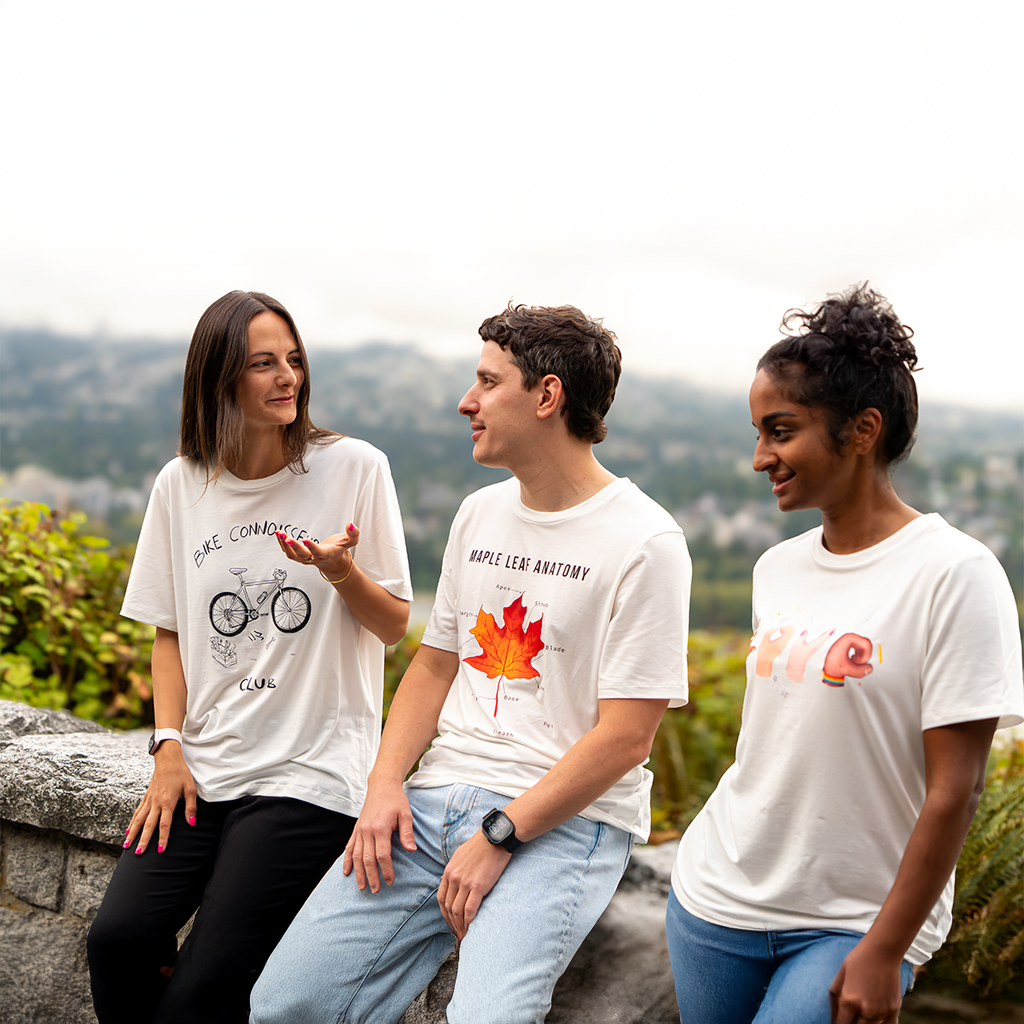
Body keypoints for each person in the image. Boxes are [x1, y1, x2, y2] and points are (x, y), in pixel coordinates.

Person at [249, 303, 692, 1024]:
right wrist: (385, 784)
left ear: (547, 397)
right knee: (284, 1004)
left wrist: (501, 834)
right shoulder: (478, 514)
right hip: (429, 804)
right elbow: (433, 666)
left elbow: (626, 738)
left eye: (488, 382)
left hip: (559, 825)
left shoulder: (646, 541)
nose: (467, 402)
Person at [666, 284, 1024, 1024]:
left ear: (863, 430)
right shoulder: (779, 567)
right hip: (717, 902)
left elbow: (954, 788)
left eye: (781, 430)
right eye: (759, 432)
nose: (760, 456)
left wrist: (888, 948)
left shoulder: (955, 574)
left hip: (854, 921)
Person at [87, 290, 413, 1024]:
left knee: (204, 991)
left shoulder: (355, 468)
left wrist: (339, 572)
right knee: (118, 940)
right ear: (220, 379)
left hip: (310, 771)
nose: (286, 377)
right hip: (204, 762)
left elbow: (393, 624)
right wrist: (168, 745)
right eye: (263, 363)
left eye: (293, 360)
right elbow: (168, 632)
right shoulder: (182, 483)